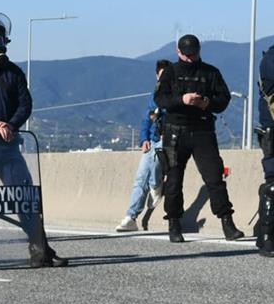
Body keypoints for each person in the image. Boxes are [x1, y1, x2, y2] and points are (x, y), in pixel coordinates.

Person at [0, 12, 68, 268]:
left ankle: (41, 251)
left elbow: (25, 104)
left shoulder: (13, 72)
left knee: (26, 197)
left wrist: (11, 124)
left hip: (10, 146)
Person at [154, 34, 244, 243]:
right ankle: (174, 223)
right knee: (174, 180)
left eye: (194, 54)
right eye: (186, 55)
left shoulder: (210, 73)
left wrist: (206, 103)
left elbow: (224, 99)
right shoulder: (170, 72)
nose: (190, 59)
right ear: (178, 53)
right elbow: (160, 99)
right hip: (176, 131)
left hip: (203, 131)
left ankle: (227, 222)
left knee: (215, 178)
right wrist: (182, 99)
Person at [116, 60, 169, 231]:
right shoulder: (154, 95)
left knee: (155, 157)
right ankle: (131, 217)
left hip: (166, 139)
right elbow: (147, 118)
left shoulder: (174, 93)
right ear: (156, 76)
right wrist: (143, 138)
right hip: (153, 139)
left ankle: (156, 185)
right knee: (140, 178)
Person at [255, 46, 274, 256]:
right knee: (273, 184)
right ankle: (267, 238)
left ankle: (262, 234)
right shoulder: (271, 58)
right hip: (272, 129)